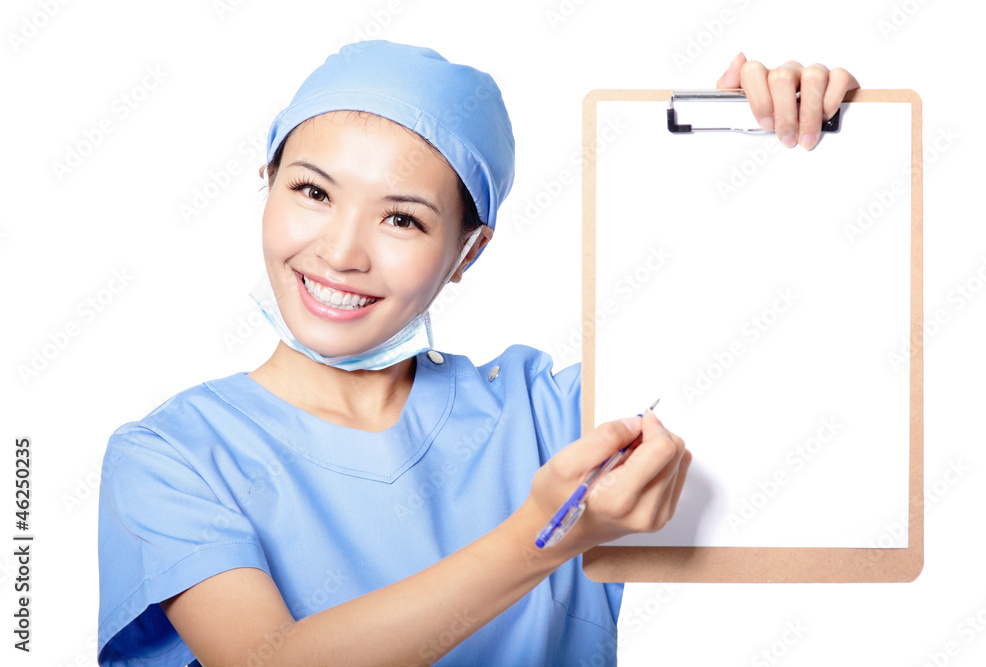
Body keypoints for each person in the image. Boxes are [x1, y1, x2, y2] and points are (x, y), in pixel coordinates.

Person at [97, 42, 858, 667]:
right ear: (266, 184)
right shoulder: (173, 456)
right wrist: (541, 535)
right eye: (312, 192)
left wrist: (770, 147)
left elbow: (779, 354)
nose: (339, 251)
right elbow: (266, 659)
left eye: (401, 218)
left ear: (467, 252)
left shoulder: (555, 415)